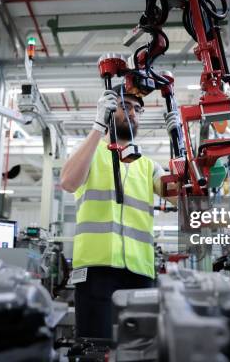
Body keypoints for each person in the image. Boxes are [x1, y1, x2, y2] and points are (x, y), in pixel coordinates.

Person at [61, 84, 177, 339]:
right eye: (126, 106)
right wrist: (97, 127)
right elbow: (68, 182)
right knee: (95, 348)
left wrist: (185, 143)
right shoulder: (89, 153)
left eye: (137, 109)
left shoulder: (148, 166)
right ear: (110, 109)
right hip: (96, 271)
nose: (133, 113)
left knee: (141, 351)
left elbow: (184, 200)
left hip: (140, 272)